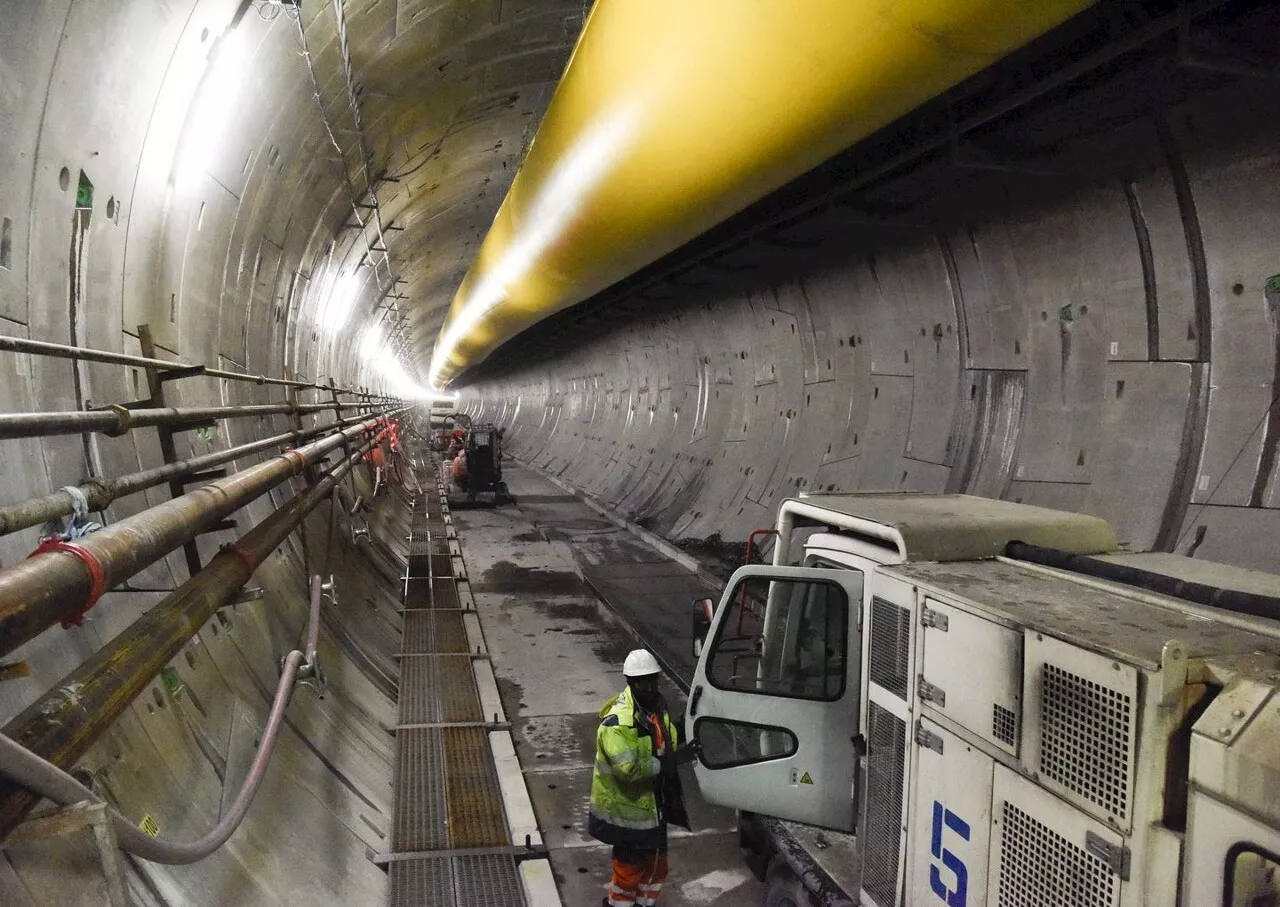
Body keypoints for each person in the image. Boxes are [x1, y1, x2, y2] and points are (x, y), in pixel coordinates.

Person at [588, 649, 700, 907]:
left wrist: (682, 733)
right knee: (628, 874)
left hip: (650, 812)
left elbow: (663, 742)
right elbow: (629, 769)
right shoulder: (618, 723)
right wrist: (672, 760)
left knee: (656, 869)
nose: (649, 686)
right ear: (630, 682)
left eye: (653, 679)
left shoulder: (656, 711)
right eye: (642, 681)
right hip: (627, 817)